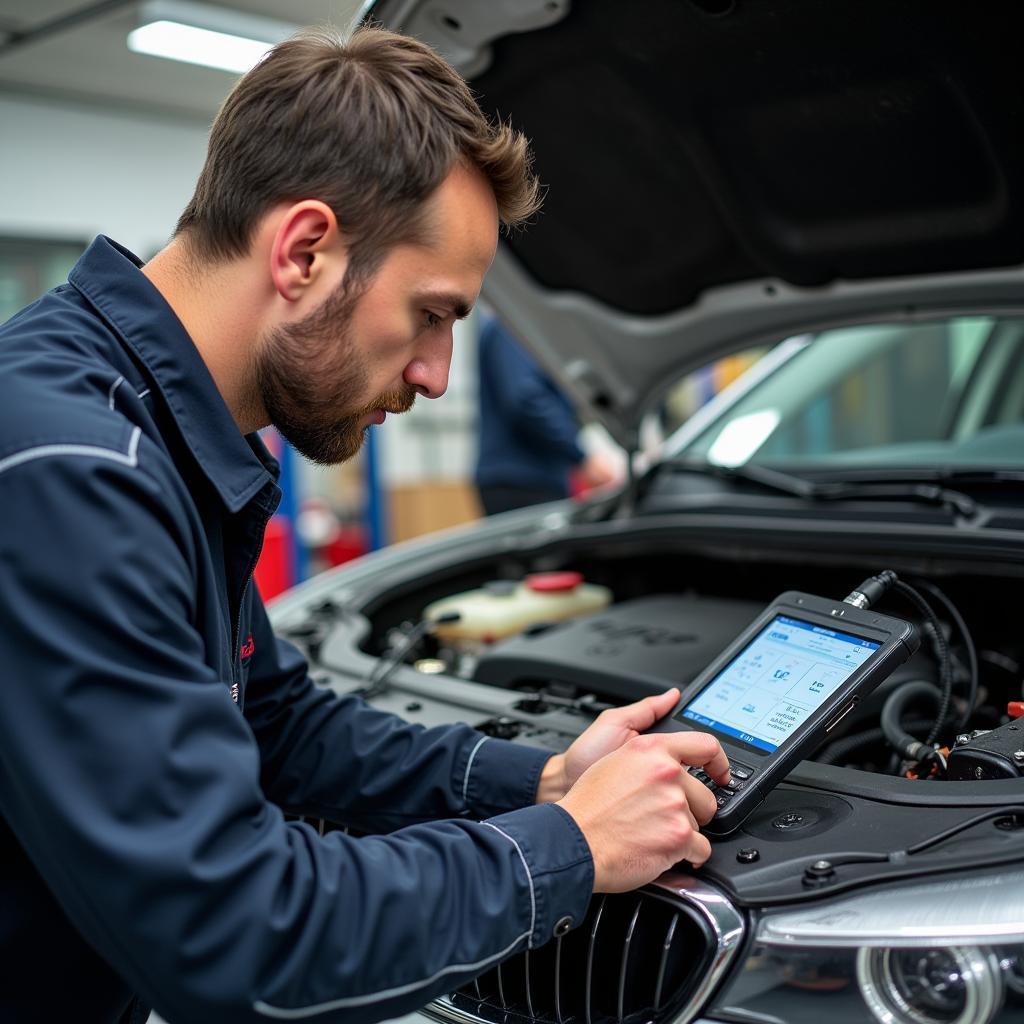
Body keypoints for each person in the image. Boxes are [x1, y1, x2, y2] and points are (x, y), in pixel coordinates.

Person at [0, 27, 729, 1024]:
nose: (434, 373)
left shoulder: (149, 432)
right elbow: (242, 938)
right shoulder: (74, 473)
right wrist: (568, 845)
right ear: (304, 251)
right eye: (431, 314)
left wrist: (546, 776)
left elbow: (278, 725)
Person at [475, 316, 618, 514]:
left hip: (526, 478)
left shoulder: (518, 327)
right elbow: (526, 398)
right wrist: (581, 455)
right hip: (523, 481)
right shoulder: (514, 327)